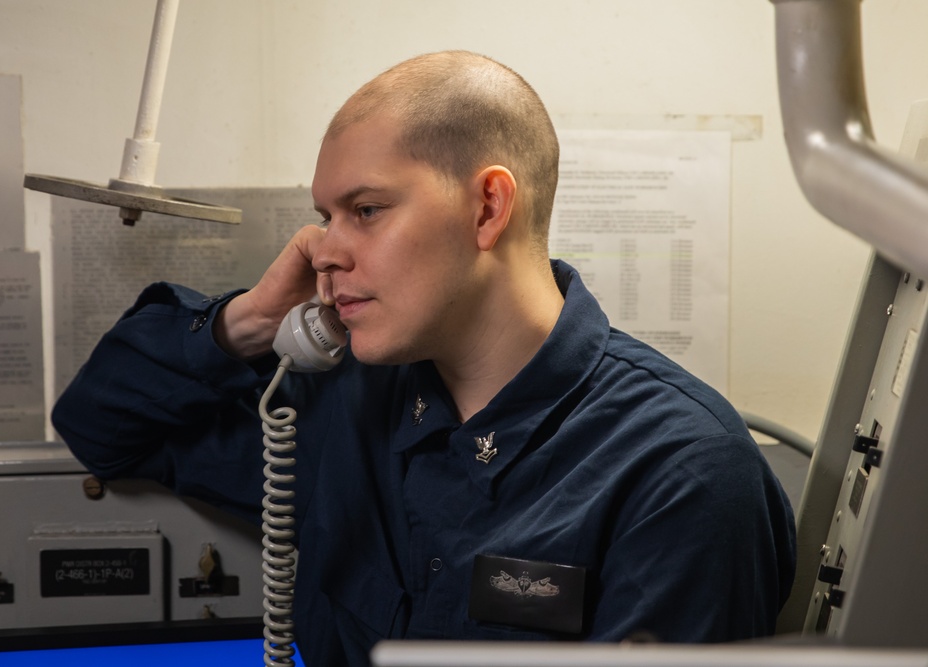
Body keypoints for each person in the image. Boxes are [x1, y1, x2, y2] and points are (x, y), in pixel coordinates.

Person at [53, 50, 796, 666]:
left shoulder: (681, 474)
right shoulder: (342, 404)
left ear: (487, 208)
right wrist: (246, 322)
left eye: (366, 210)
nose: (324, 250)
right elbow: (103, 424)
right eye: (326, 217)